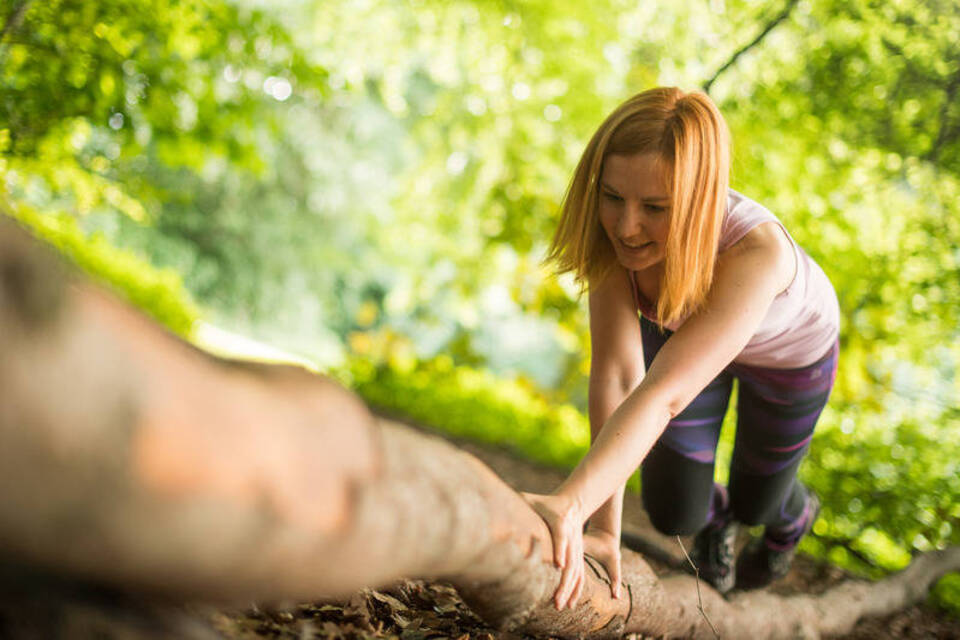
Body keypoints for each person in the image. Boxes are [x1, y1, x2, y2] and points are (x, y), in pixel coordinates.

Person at [522, 86, 839, 610]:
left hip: (790, 358)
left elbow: (665, 396)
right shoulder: (614, 241)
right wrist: (601, 527)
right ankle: (714, 526)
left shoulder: (753, 251)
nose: (627, 227)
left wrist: (571, 504)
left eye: (655, 207)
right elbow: (621, 375)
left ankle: (791, 515)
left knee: (757, 500)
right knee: (674, 513)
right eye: (612, 197)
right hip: (689, 340)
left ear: (701, 200)